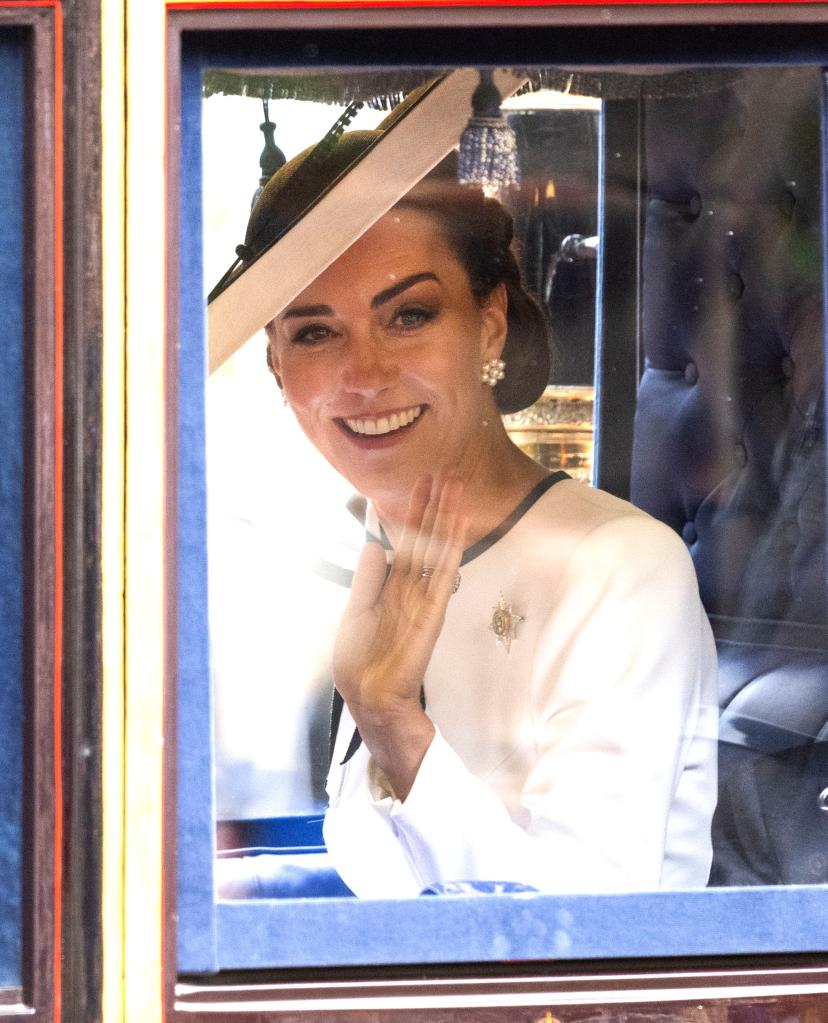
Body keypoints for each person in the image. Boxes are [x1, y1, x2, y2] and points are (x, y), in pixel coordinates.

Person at [221, 110, 719, 900]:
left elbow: (573, 947)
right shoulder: (382, 549)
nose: (365, 374)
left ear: (489, 324)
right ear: (277, 365)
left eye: (409, 315)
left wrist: (393, 720)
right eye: (316, 333)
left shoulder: (619, 569)